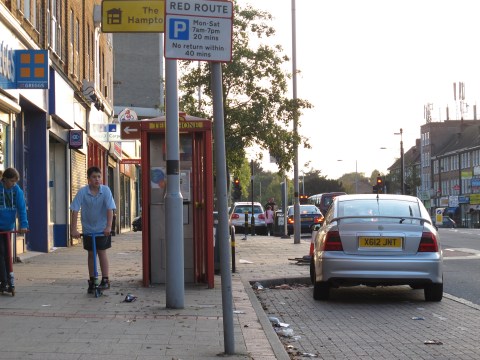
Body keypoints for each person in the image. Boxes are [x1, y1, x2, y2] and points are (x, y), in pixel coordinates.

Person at [70, 167, 116, 294]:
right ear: (89, 179)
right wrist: (73, 229)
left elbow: (110, 209)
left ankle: (105, 279)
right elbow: (75, 210)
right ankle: (92, 281)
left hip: (102, 229)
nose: (97, 179)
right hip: (88, 229)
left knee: (102, 252)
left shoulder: (106, 190)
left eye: (99, 177)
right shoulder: (82, 192)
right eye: (94, 177)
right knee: (91, 254)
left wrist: (108, 227)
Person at [0, 168, 28, 292]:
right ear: (4, 179)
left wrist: (23, 225)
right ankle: (4, 281)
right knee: (0, 253)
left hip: (8, 227)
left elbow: (21, 208)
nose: (14, 184)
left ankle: (7, 280)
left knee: (7, 254)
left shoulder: (17, 191)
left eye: (15, 181)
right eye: (12, 181)